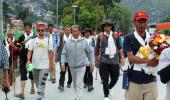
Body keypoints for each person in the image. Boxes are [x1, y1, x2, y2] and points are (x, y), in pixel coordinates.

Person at [124, 10, 158, 100]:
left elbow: (156, 55)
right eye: (139, 22)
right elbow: (131, 58)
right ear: (134, 22)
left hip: (151, 79)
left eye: (144, 22)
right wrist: (148, 61)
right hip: (134, 80)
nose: (142, 25)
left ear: (147, 22)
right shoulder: (128, 38)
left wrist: (156, 60)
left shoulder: (153, 38)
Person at [61, 25, 94, 100]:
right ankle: (77, 96)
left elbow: (89, 52)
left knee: (79, 84)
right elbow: (63, 53)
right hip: (72, 67)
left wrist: (92, 64)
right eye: (73, 31)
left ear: (79, 32)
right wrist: (62, 63)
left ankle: (79, 98)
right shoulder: (68, 42)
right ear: (71, 32)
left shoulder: (84, 41)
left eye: (76, 31)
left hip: (82, 66)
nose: (75, 33)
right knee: (75, 84)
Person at [95, 19, 124, 100]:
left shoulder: (115, 35)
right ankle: (106, 95)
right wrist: (96, 60)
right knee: (105, 79)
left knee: (115, 77)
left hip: (114, 60)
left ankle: (109, 87)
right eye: (105, 25)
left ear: (111, 26)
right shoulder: (100, 36)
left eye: (108, 25)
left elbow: (120, 47)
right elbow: (97, 49)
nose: (107, 27)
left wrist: (122, 57)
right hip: (103, 60)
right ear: (103, 27)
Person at [27, 22, 54, 100]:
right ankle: (41, 92)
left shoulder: (48, 40)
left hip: (45, 65)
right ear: (37, 31)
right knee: (36, 81)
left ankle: (39, 93)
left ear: (44, 31)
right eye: (39, 30)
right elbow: (29, 51)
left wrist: (51, 64)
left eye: (42, 30)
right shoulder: (33, 40)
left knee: (42, 80)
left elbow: (50, 53)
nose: (40, 31)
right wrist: (28, 60)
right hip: (34, 65)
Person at [15, 22, 35, 99]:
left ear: (30, 28)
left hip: (31, 59)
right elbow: (17, 47)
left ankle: (32, 88)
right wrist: (13, 45)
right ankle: (22, 93)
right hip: (23, 59)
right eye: (24, 28)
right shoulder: (21, 37)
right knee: (23, 74)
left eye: (27, 28)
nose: (25, 29)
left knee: (31, 73)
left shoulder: (35, 37)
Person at [57, 26, 72, 91]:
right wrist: (56, 56)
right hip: (63, 57)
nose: (67, 31)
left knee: (70, 71)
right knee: (62, 71)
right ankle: (61, 85)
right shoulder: (61, 38)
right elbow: (57, 47)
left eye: (68, 30)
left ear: (70, 31)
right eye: (66, 30)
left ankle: (69, 82)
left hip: (71, 58)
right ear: (64, 31)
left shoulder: (73, 38)